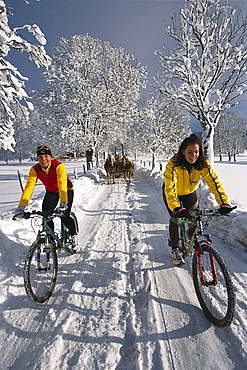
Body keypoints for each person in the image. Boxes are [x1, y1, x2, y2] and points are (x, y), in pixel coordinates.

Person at [163, 134, 234, 265]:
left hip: (189, 192)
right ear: (183, 151)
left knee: (194, 217)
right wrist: (176, 207)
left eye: (196, 152)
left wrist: (223, 202)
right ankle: (175, 248)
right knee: (176, 218)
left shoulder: (201, 164)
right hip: (173, 194)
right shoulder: (173, 165)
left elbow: (214, 182)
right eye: (189, 152)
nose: (193, 155)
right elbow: (170, 188)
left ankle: (191, 239)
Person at [14, 145, 77, 254]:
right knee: (46, 216)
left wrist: (63, 204)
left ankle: (73, 236)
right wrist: (21, 207)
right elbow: (29, 188)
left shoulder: (58, 166)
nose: (43, 159)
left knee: (64, 215)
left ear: (51, 157)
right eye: (40, 157)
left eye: (46, 156)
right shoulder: (35, 169)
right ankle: (51, 240)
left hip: (66, 190)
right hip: (51, 192)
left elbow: (62, 185)